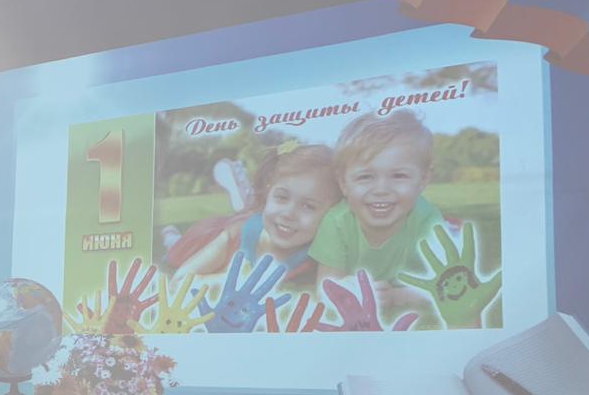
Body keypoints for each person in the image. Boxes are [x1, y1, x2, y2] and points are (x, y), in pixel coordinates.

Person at [308, 110, 442, 308]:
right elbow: (325, 288)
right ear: (343, 183)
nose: (381, 190)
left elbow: (447, 287)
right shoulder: (337, 222)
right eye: (365, 177)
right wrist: (347, 293)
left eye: (398, 176)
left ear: (423, 180)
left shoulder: (427, 219)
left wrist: (398, 297)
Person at [162, 142, 341, 284]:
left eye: (308, 206)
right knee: (178, 252)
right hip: (211, 237)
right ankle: (171, 237)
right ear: (268, 193)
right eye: (281, 197)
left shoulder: (321, 254)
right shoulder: (237, 234)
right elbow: (180, 279)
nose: (288, 214)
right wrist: (233, 282)